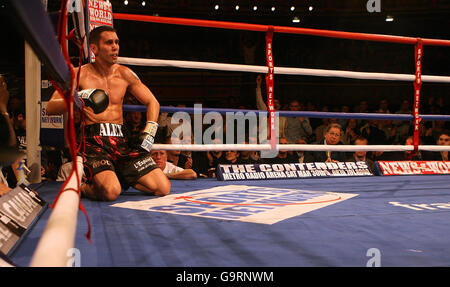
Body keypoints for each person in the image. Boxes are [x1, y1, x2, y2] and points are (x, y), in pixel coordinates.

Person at [46, 26, 170, 201]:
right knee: (111, 192)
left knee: (163, 188)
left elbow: (152, 102)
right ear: (94, 48)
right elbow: (50, 107)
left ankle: (118, 174)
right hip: (93, 143)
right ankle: (83, 187)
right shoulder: (78, 74)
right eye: (109, 42)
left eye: (117, 42)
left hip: (122, 141)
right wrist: (80, 97)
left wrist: (149, 129)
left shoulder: (124, 74)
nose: (115, 47)